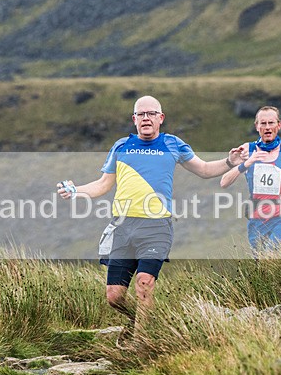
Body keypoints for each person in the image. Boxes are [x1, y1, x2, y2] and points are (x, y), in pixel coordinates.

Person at [57, 95, 241, 345]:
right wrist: (75, 190)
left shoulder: (173, 144)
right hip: (123, 227)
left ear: (160, 118)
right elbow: (103, 185)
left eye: (151, 113)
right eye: (141, 114)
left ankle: (141, 343)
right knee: (114, 296)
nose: (146, 118)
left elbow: (205, 170)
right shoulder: (121, 146)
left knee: (144, 283)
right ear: (134, 119)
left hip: (157, 227)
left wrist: (230, 162)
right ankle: (144, 322)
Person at [220, 105, 281, 252]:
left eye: (271, 123)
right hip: (257, 219)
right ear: (257, 126)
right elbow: (224, 182)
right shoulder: (247, 150)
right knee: (261, 263)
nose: (267, 127)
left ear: (279, 125)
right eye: (263, 123)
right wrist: (244, 164)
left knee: (273, 253)